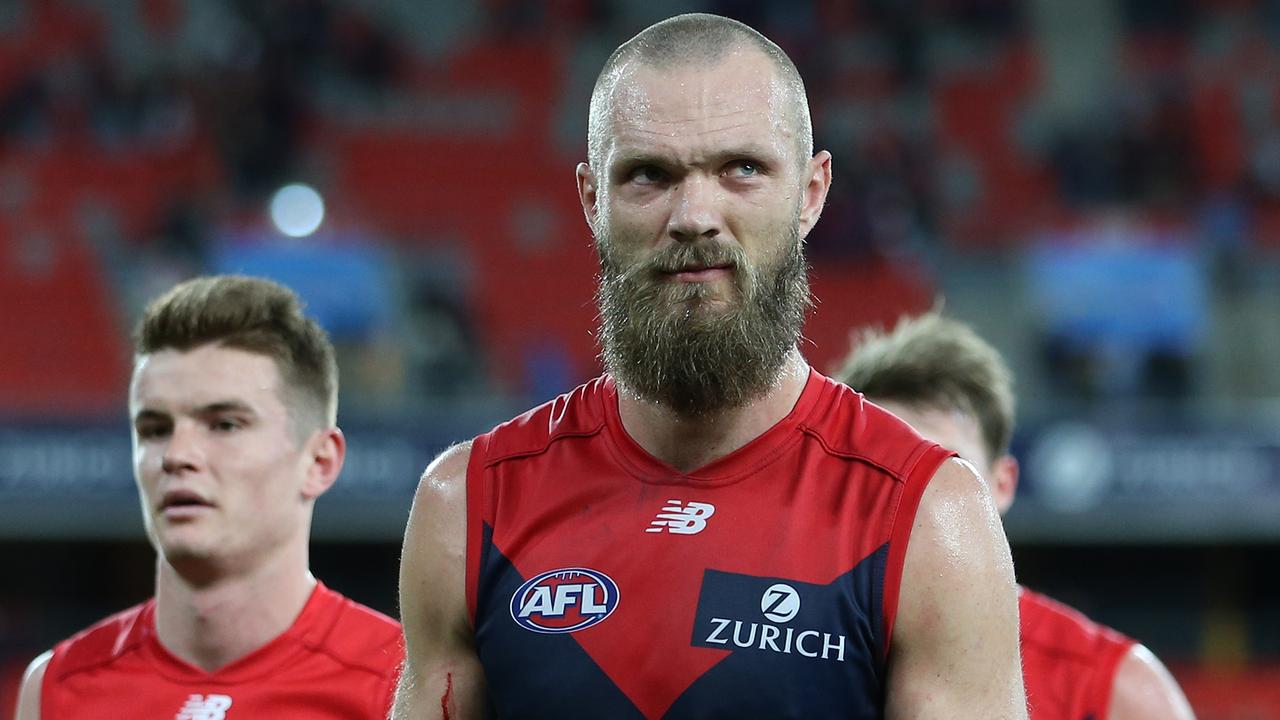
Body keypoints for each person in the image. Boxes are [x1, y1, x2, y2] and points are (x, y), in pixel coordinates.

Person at [393, 13, 1026, 719]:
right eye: (649, 176)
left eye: (742, 169)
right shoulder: (468, 505)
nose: (695, 215)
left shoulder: (931, 519)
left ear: (812, 193)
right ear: (591, 199)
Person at [14, 275, 403, 719]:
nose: (177, 456)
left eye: (224, 425)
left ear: (319, 462)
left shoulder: (404, 685)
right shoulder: (57, 690)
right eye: (155, 430)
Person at [835, 311, 1197, 720]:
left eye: (945, 472)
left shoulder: (1118, 693)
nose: (911, 497)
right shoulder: (769, 641)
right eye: (883, 467)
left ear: (1003, 484)